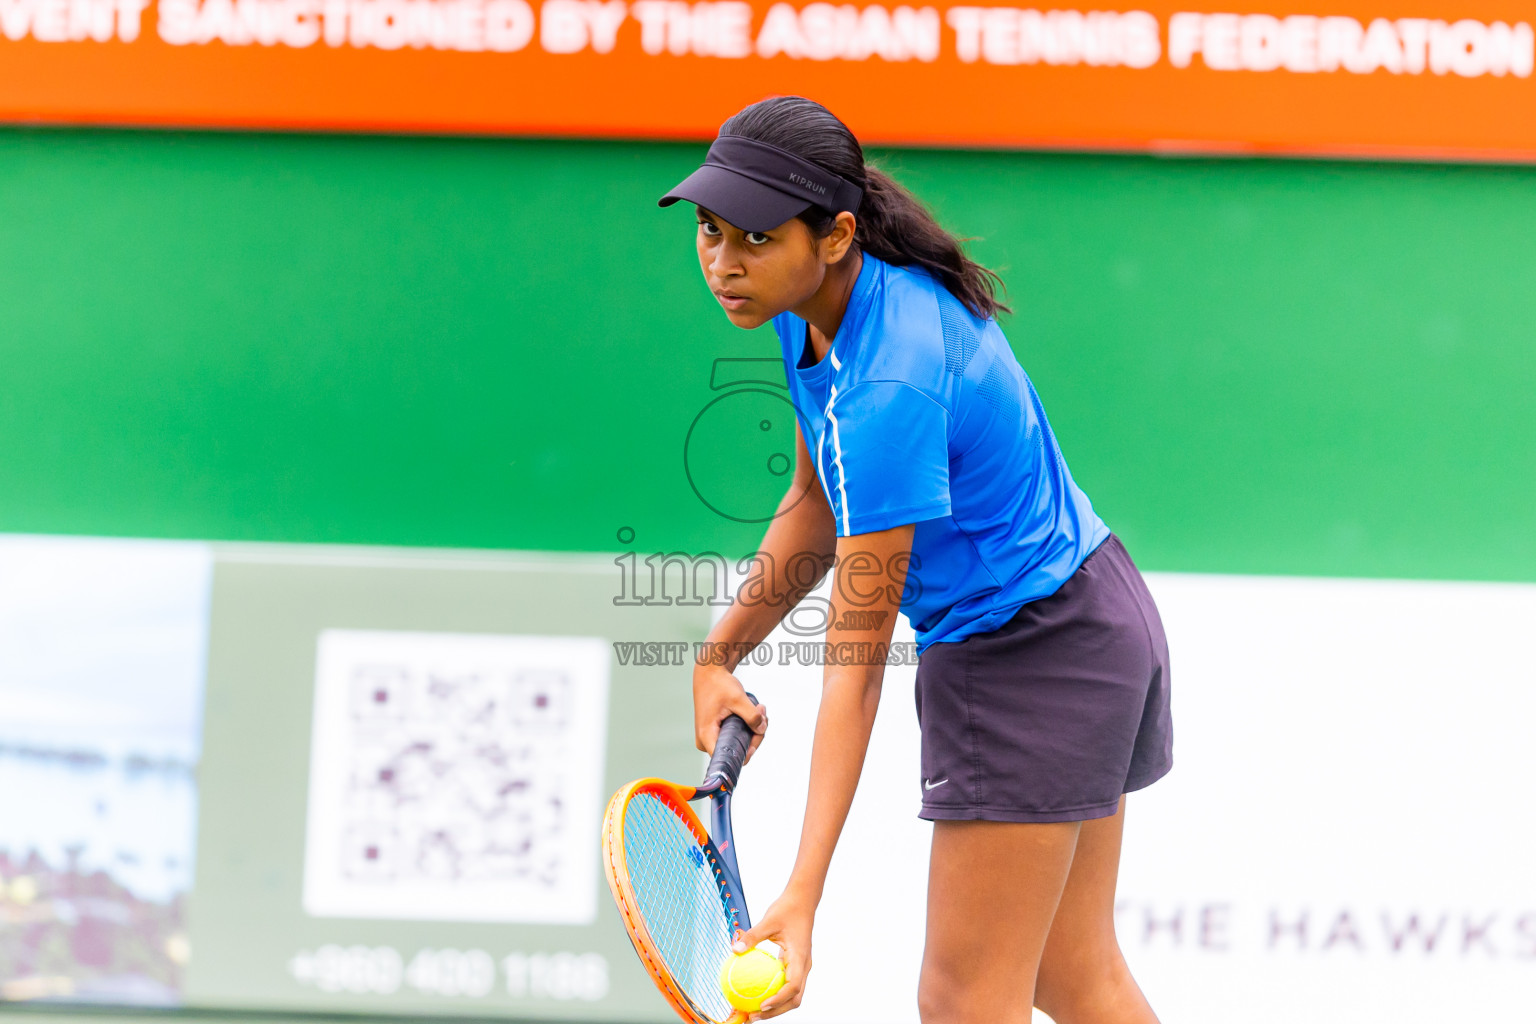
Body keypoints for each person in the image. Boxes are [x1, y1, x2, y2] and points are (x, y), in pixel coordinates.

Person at [664, 95, 1171, 1024]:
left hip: (1032, 655)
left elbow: (855, 668)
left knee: (962, 1000)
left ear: (835, 234)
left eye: (754, 238)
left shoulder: (889, 380)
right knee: (1074, 975)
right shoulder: (807, 307)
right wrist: (718, 653)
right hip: (1096, 619)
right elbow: (818, 498)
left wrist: (802, 894)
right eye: (709, 231)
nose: (723, 263)